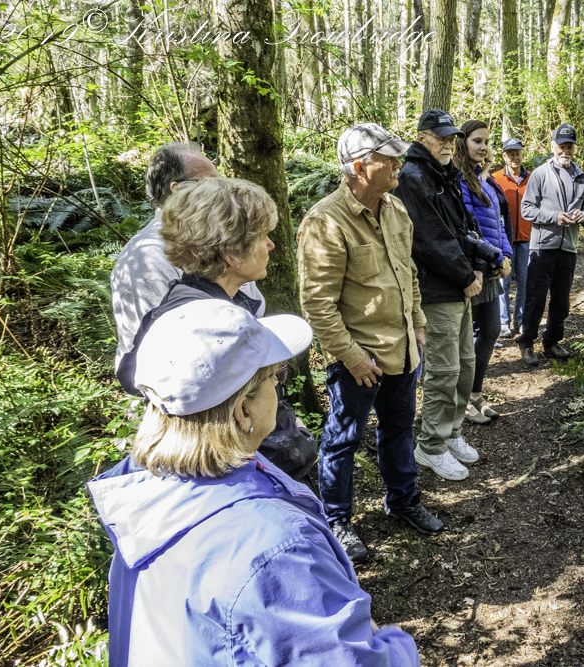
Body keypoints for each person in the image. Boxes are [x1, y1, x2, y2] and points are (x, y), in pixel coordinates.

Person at [88, 300, 420, 667]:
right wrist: (389, 641)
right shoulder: (276, 547)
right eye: (275, 377)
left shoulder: (140, 499)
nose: (279, 387)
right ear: (243, 411)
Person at [296, 123, 443, 564]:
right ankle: (337, 519)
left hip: (403, 347)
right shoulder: (325, 221)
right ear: (360, 167)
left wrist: (418, 324)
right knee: (344, 438)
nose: (399, 163)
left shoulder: (395, 208)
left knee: (399, 429)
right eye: (389, 158)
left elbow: (408, 273)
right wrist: (353, 357)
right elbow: (317, 304)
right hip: (358, 357)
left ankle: (403, 500)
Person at [115, 177, 317, 480]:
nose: (271, 245)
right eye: (262, 236)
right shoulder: (204, 329)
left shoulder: (217, 304)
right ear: (231, 254)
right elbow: (218, 429)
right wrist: (296, 440)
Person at [111, 142, 265, 370]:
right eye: (211, 182)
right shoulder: (148, 254)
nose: (221, 189)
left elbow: (253, 310)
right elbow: (163, 348)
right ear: (177, 190)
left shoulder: (212, 239)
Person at [393, 109, 484, 481]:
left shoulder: (444, 173)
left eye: (451, 138)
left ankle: (452, 433)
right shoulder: (412, 176)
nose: (447, 144)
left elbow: (463, 226)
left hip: (459, 286)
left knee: (465, 365)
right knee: (443, 371)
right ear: (422, 138)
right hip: (435, 288)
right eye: (440, 138)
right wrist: (465, 274)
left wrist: (480, 263)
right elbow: (428, 239)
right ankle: (430, 445)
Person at [517, 123, 584, 367]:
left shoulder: (582, 178)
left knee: (561, 300)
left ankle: (552, 341)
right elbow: (526, 208)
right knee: (535, 297)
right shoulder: (540, 174)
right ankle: (527, 342)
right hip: (542, 246)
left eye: (569, 147)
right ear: (553, 146)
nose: (565, 151)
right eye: (561, 146)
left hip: (569, 247)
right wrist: (554, 217)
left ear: (574, 148)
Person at [453, 120, 513, 424]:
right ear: (462, 142)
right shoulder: (458, 180)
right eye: (477, 141)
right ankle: (461, 399)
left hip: (490, 266)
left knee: (490, 331)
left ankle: (475, 393)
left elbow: (498, 224)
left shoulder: (484, 180)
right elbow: (467, 228)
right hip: (471, 269)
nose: (484, 147)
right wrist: (486, 260)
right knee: (464, 340)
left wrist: (506, 256)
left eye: (487, 141)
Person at [493, 137, 532, 338]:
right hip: (504, 241)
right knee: (503, 282)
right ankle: (503, 322)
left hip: (527, 239)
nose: (514, 157)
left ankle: (521, 319)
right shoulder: (495, 178)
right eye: (511, 154)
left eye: (517, 153)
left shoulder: (532, 178)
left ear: (522, 155)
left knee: (524, 282)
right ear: (504, 156)